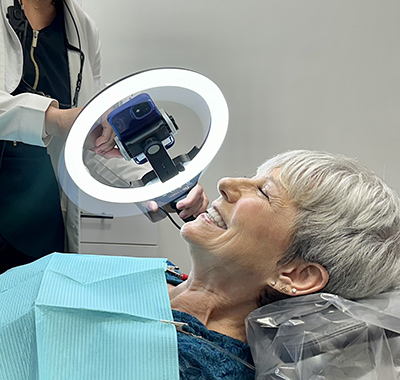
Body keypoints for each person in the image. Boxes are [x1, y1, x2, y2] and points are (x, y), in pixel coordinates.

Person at [0, 0, 208, 273]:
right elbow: (67, 124)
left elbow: (92, 143)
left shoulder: (83, 30)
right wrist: (54, 119)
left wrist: (157, 183)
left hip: (38, 225)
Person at [167, 149, 400, 378]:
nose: (226, 183)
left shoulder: (195, 369)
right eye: (251, 177)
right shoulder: (166, 274)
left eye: (263, 192)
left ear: (298, 275)